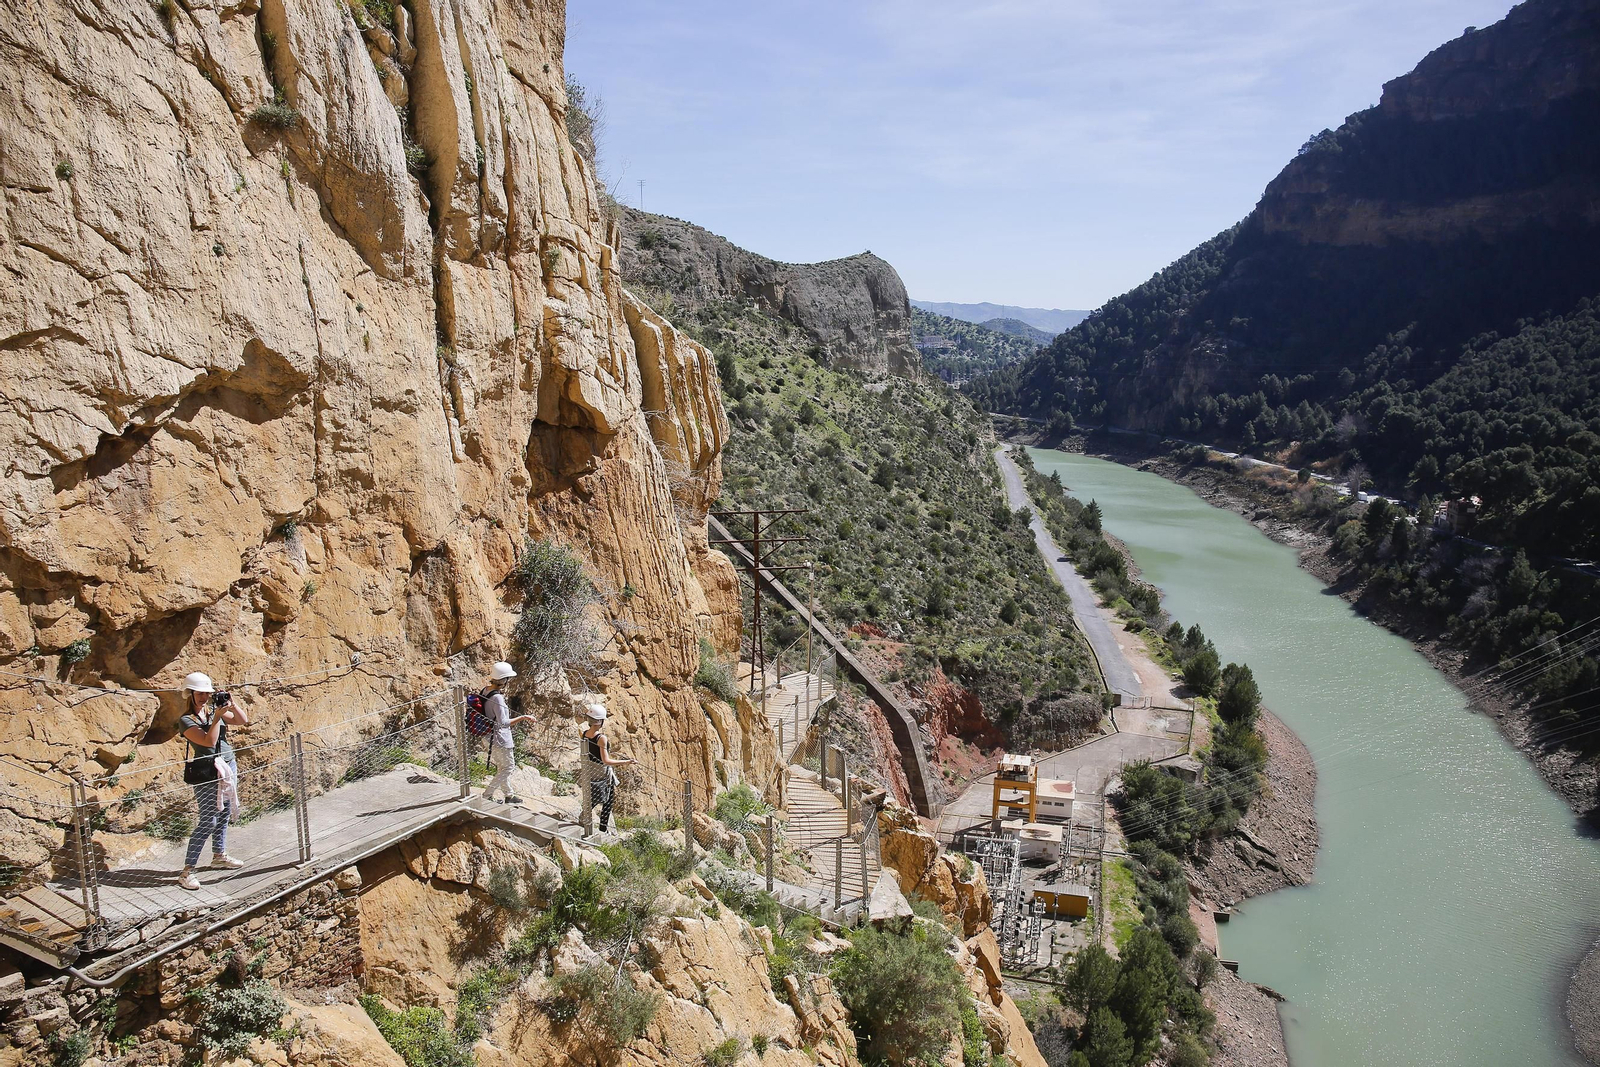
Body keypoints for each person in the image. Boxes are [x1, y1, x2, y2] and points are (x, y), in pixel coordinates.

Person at [176, 672, 250, 891]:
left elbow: (242, 720)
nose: (203, 697)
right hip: (208, 771)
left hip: (228, 765)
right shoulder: (186, 720)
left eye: (206, 694)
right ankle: (187, 871)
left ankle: (219, 855)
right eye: (199, 693)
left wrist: (231, 705)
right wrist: (217, 718)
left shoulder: (211, 711)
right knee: (209, 819)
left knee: (225, 812)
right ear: (190, 694)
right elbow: (208, 741)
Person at [483, 661, 534, 804]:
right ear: (504, 679)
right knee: (508, 767)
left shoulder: (486, 690)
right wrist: (523, 717)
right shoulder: (497, 697)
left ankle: (509, 795)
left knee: (502, 767)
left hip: (488, 736)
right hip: (499, 738)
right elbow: (504, 723)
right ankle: (487, 795)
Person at [581, 702, 635, 833]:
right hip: (601, 772)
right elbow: (605, 760)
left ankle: (584, 817)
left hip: (590, 770)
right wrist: (626, 762)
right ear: (599, 722)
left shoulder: (584, 734)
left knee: (594, 796)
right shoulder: (601, 738)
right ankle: (602, 829)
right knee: (608, 801)